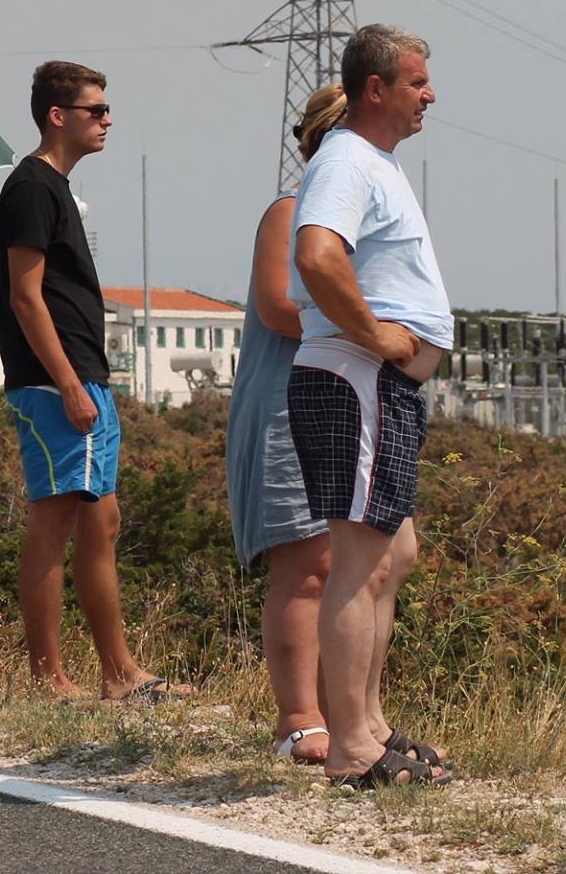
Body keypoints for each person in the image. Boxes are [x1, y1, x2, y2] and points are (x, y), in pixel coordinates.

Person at [288, 25, 454, 787]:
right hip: (356, 377)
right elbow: (318, 255)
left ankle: (372, 723)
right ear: (376, 88)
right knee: (357, 560)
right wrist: (377, 335)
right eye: (417, 82)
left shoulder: (372, 162)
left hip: (377, 382)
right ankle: (352, 746)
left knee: (395, 552)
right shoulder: (347, 159)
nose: (430, 95)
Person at [0, 60, 173, 702]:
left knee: (101, 522)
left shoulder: (56, 189)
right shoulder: (32, 188)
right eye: (95, 110)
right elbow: (24, 295)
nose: (107, 120)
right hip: (54, 382)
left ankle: (118, 673)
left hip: (81, 375)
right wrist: (67, 381)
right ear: (57, 116)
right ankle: (49, 678)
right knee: (54, 519)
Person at [226, 84, 346, 765]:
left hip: (341, 407)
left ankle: (344, 717)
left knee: (346, 569)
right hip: (287, 406)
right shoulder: (292, 212)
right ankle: (300, 719)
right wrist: (370, 326)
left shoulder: (358, 224)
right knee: (306, 569)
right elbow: (279, 306)